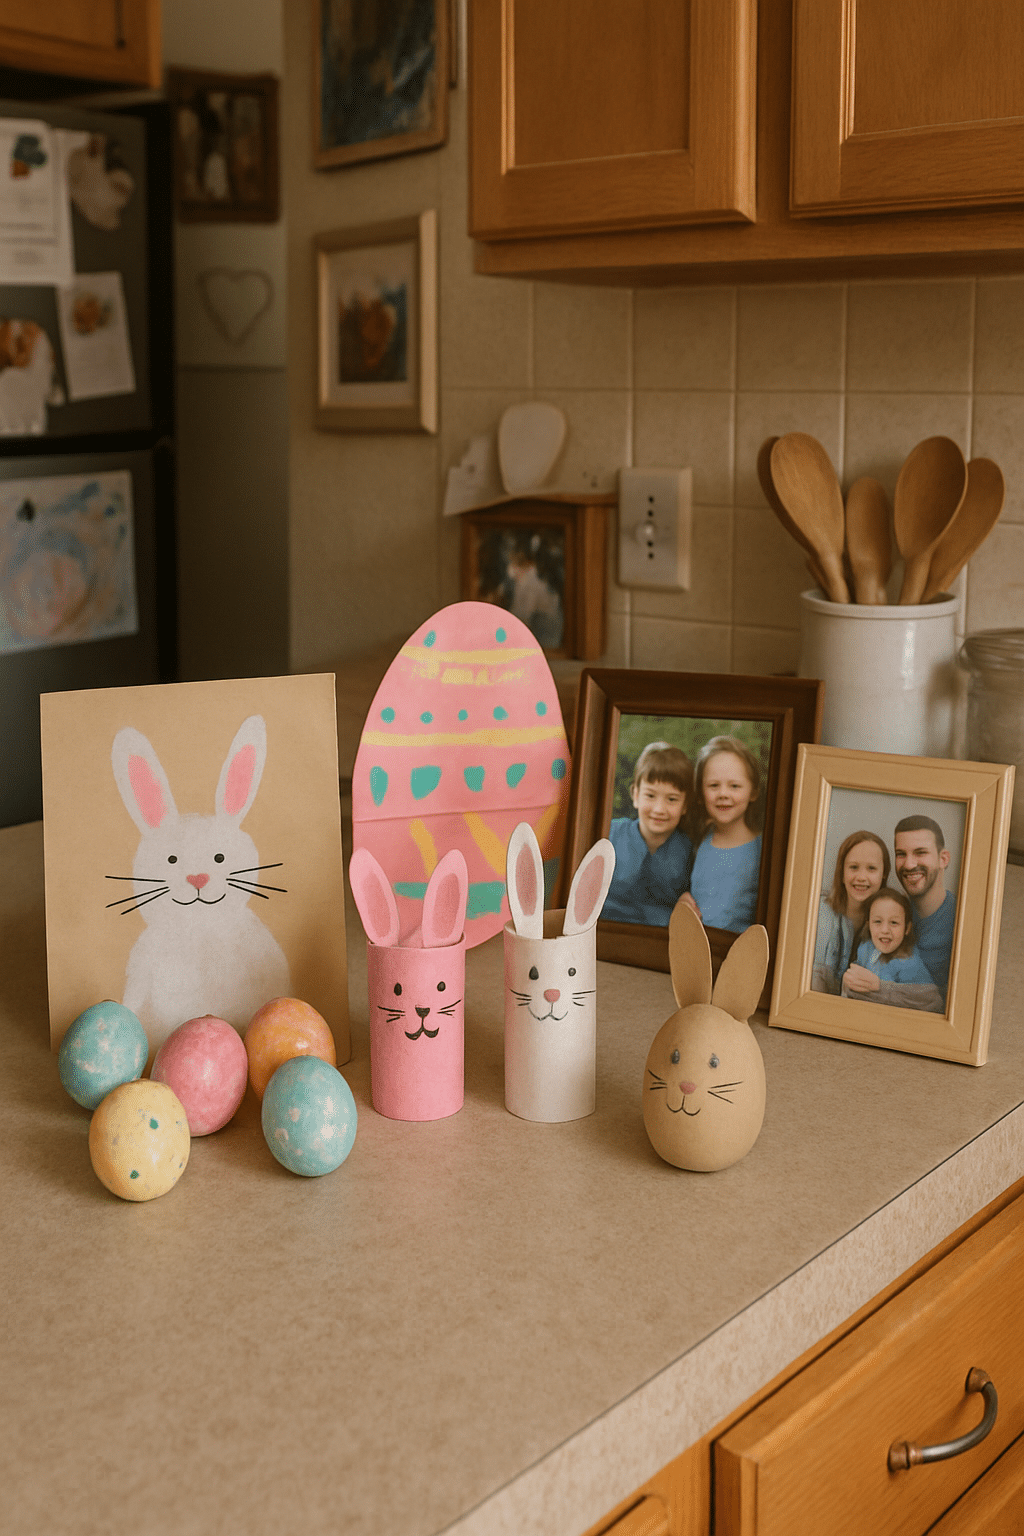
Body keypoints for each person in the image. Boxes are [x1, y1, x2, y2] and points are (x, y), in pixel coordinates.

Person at [604, 742, 694, 927]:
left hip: (659, 941)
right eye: (650, 796)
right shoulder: (609, 835)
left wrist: (686, 900)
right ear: (635, 795)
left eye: (672, 799)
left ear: (685, 805)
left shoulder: (689, 851)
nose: (659, 809)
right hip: (604, 933)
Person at [684, 735, 762, 933]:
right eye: (713, 785)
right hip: (696, 948)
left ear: (753, 792)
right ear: (701, 793)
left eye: (734, 786)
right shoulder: (699, 839)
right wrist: (684, 900)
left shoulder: (762, 849)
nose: (723, 794)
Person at [811, 830, 889, 995]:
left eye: (871, 868)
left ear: (884, 874)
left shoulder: (890, 924)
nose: (861, 877)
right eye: (853, 867)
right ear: (841, 873)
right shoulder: (817, 914)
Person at [841, 888, 944, 1012]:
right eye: (877, 921)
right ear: (869, 925)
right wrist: (849, 980)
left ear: (907, 928)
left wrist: (880, 986)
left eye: (894, 922)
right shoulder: (866, 948)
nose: (885, 930)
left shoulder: (908, 962)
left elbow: (934, 1001)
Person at [893, 814, 957, 994]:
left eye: (920, 852)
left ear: (943, 859)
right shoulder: (890, 915)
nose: (909, 864)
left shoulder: (962, 920)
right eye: (901, 854)